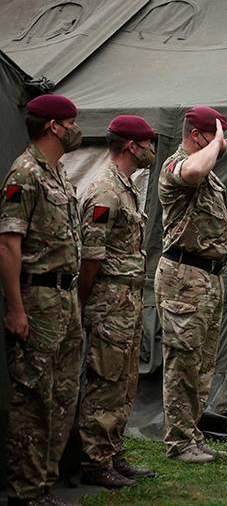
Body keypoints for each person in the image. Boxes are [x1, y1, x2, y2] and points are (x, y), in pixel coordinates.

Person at [0, 94, 83, 505]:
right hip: (38, 298)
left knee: (63, 395)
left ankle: (45, 483)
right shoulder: (26, 173)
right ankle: (26, 491)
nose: (76, 130)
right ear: (53, 126)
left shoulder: (59, 173)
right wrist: (16, 308)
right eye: (71, 123)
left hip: (65, 298)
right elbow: (8, 245)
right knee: (33, 397)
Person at [77, 115, 157, 488]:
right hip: (109, 300)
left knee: (124, 381)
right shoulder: (106, 190)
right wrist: (84, 300)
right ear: (131, 146)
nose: (151, 150)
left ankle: (112, 451)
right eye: (147, 144)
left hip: (126, 299)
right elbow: (91, 254)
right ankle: (95, 461)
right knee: (105, 379)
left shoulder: (127, 188)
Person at [155, 106, 227, 463]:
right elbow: (194, 170)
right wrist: (216, 144)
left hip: (208, 278)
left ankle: (192, 434)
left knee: (202, 363)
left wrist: (214, 144)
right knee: (182, 362)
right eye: (218, 136)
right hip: (184, 278)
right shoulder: (177, 165)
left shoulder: (209, 176)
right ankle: (179, 441)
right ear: (198, 136)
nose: (225, 143)